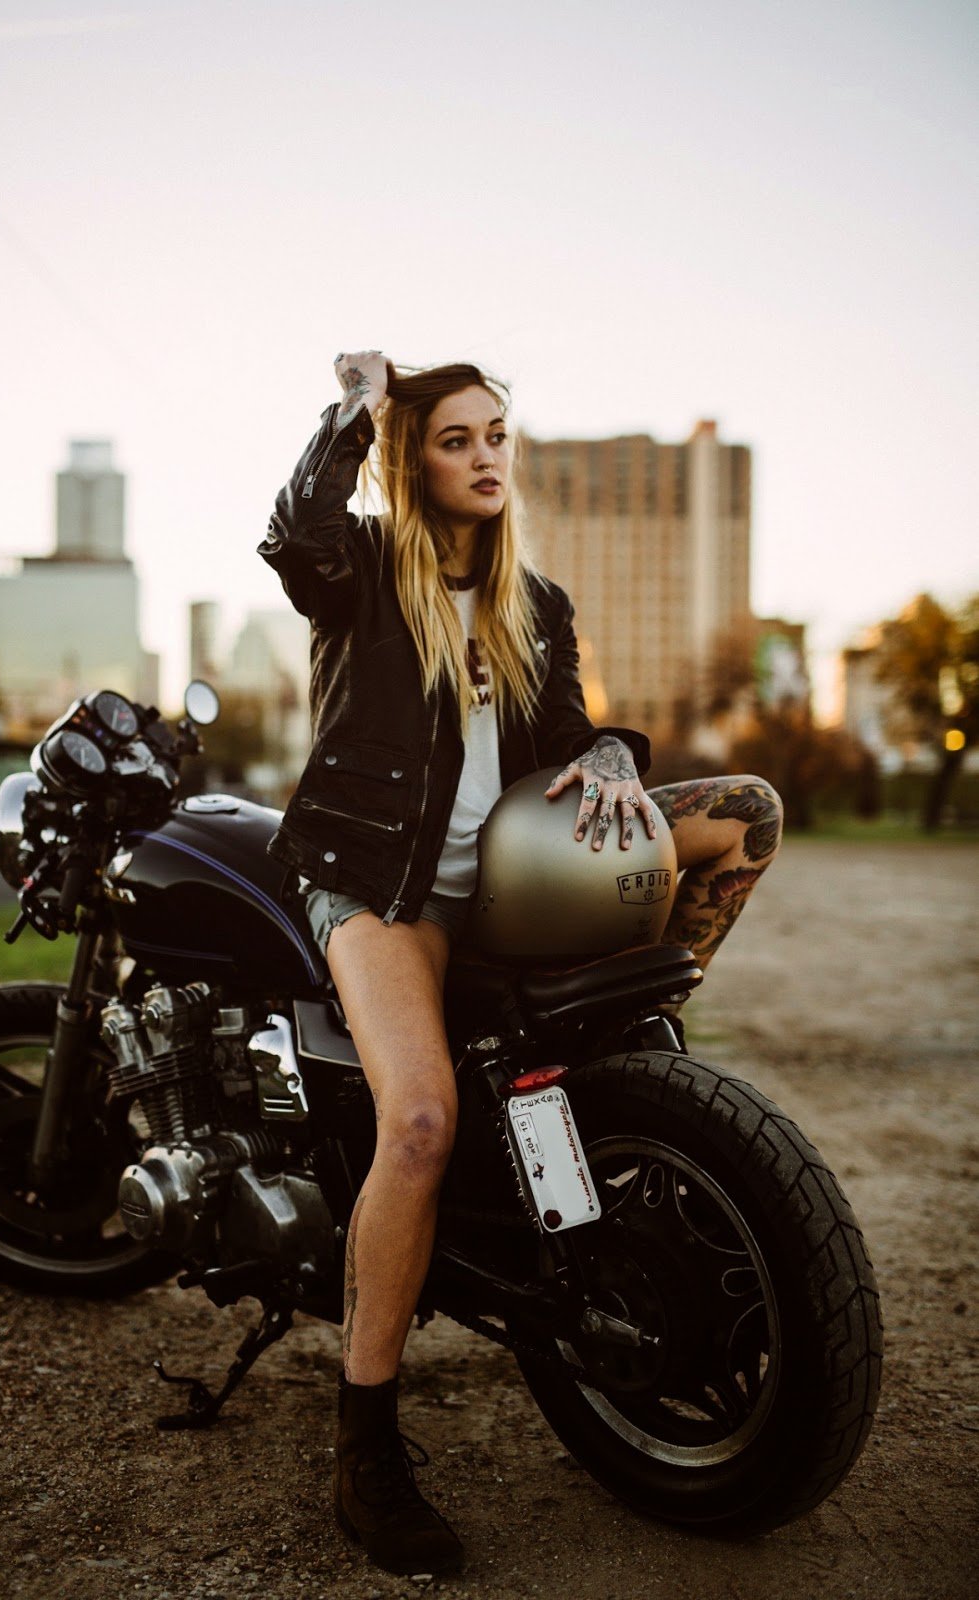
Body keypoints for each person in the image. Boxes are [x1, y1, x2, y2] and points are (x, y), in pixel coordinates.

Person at [257, 352, 783, 1575]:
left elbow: (555, 743)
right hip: (382, 890)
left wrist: (607, 759)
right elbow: (293, 539)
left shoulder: (532, 603)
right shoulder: (366, 575)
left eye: (497, 434)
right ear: (412, 456)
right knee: (424, 1120)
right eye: (454, 438)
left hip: (502, 886)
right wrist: (354, 411)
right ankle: (365, 1444)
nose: (486, 456)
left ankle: (631, 1058)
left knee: (743, 811)